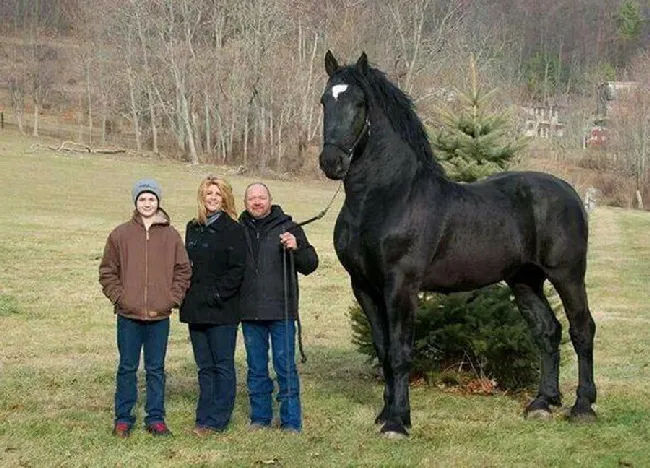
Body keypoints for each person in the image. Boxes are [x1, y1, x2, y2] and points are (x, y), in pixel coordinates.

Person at [99, 179, 191, 438]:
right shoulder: (120, 234)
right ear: (136, 203)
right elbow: (107, 271)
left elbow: (183, 270)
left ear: (158, 202)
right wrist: (120, 297)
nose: (147, 203)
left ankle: (156, 418)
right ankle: (123, 418)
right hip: (129, 315)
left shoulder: (171, 235)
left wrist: (172, 298)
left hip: (159, 315)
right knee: (127, 367)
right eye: (142, 199)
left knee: (156, 368)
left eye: (151, 199)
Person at [239, 182, 318, 433]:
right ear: (245, 202)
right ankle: (260, 418)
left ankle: (291, 421)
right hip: (250, 311)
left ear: (270, 200)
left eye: (261, 197)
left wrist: (297, 248)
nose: (257, 202)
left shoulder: (289, 226)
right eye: (252, 198)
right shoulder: (237, 229)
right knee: (256, 368)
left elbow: (310, 264)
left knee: (285, 366)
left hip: (281, 311)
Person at [180, 176, 246, 436]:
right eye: (209, 193)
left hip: (222, 309)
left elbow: (238, 269)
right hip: (195, 308)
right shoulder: (192, 227)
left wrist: (218, 294)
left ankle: (218, 420)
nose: (213, 198)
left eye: (218, 194)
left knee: (222, 365)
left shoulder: (233, 229)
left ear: (225, 197)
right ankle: (203, 415)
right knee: (204, 366)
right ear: (202, 196)